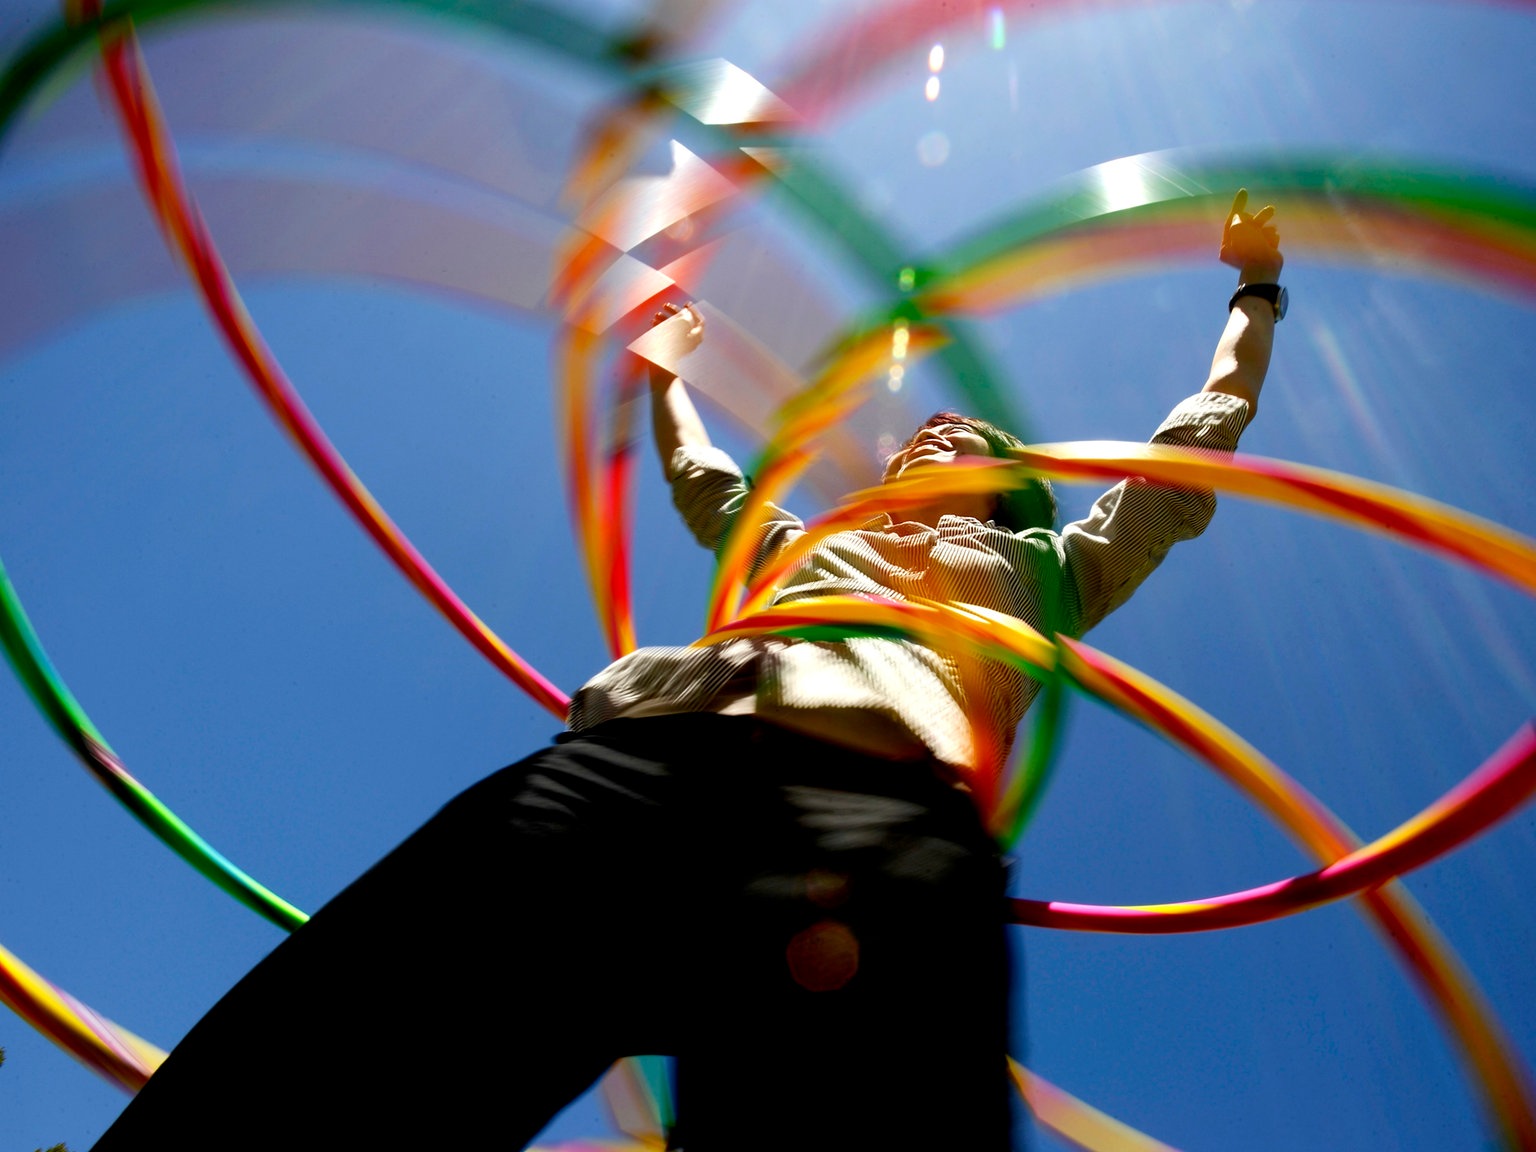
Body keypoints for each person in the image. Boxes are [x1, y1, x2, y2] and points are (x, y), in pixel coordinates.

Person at [91, 191, 1283, 1151]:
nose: (927, 432)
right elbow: (704, 483)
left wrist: (1255, 291)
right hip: (639, 767)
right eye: (919, 433)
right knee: (315, 1073)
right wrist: (664, 371)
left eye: (954, 436)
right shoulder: (805, 543)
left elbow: (1189, 452)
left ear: (1009, 472)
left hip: (878, 836)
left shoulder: (1053, 569)